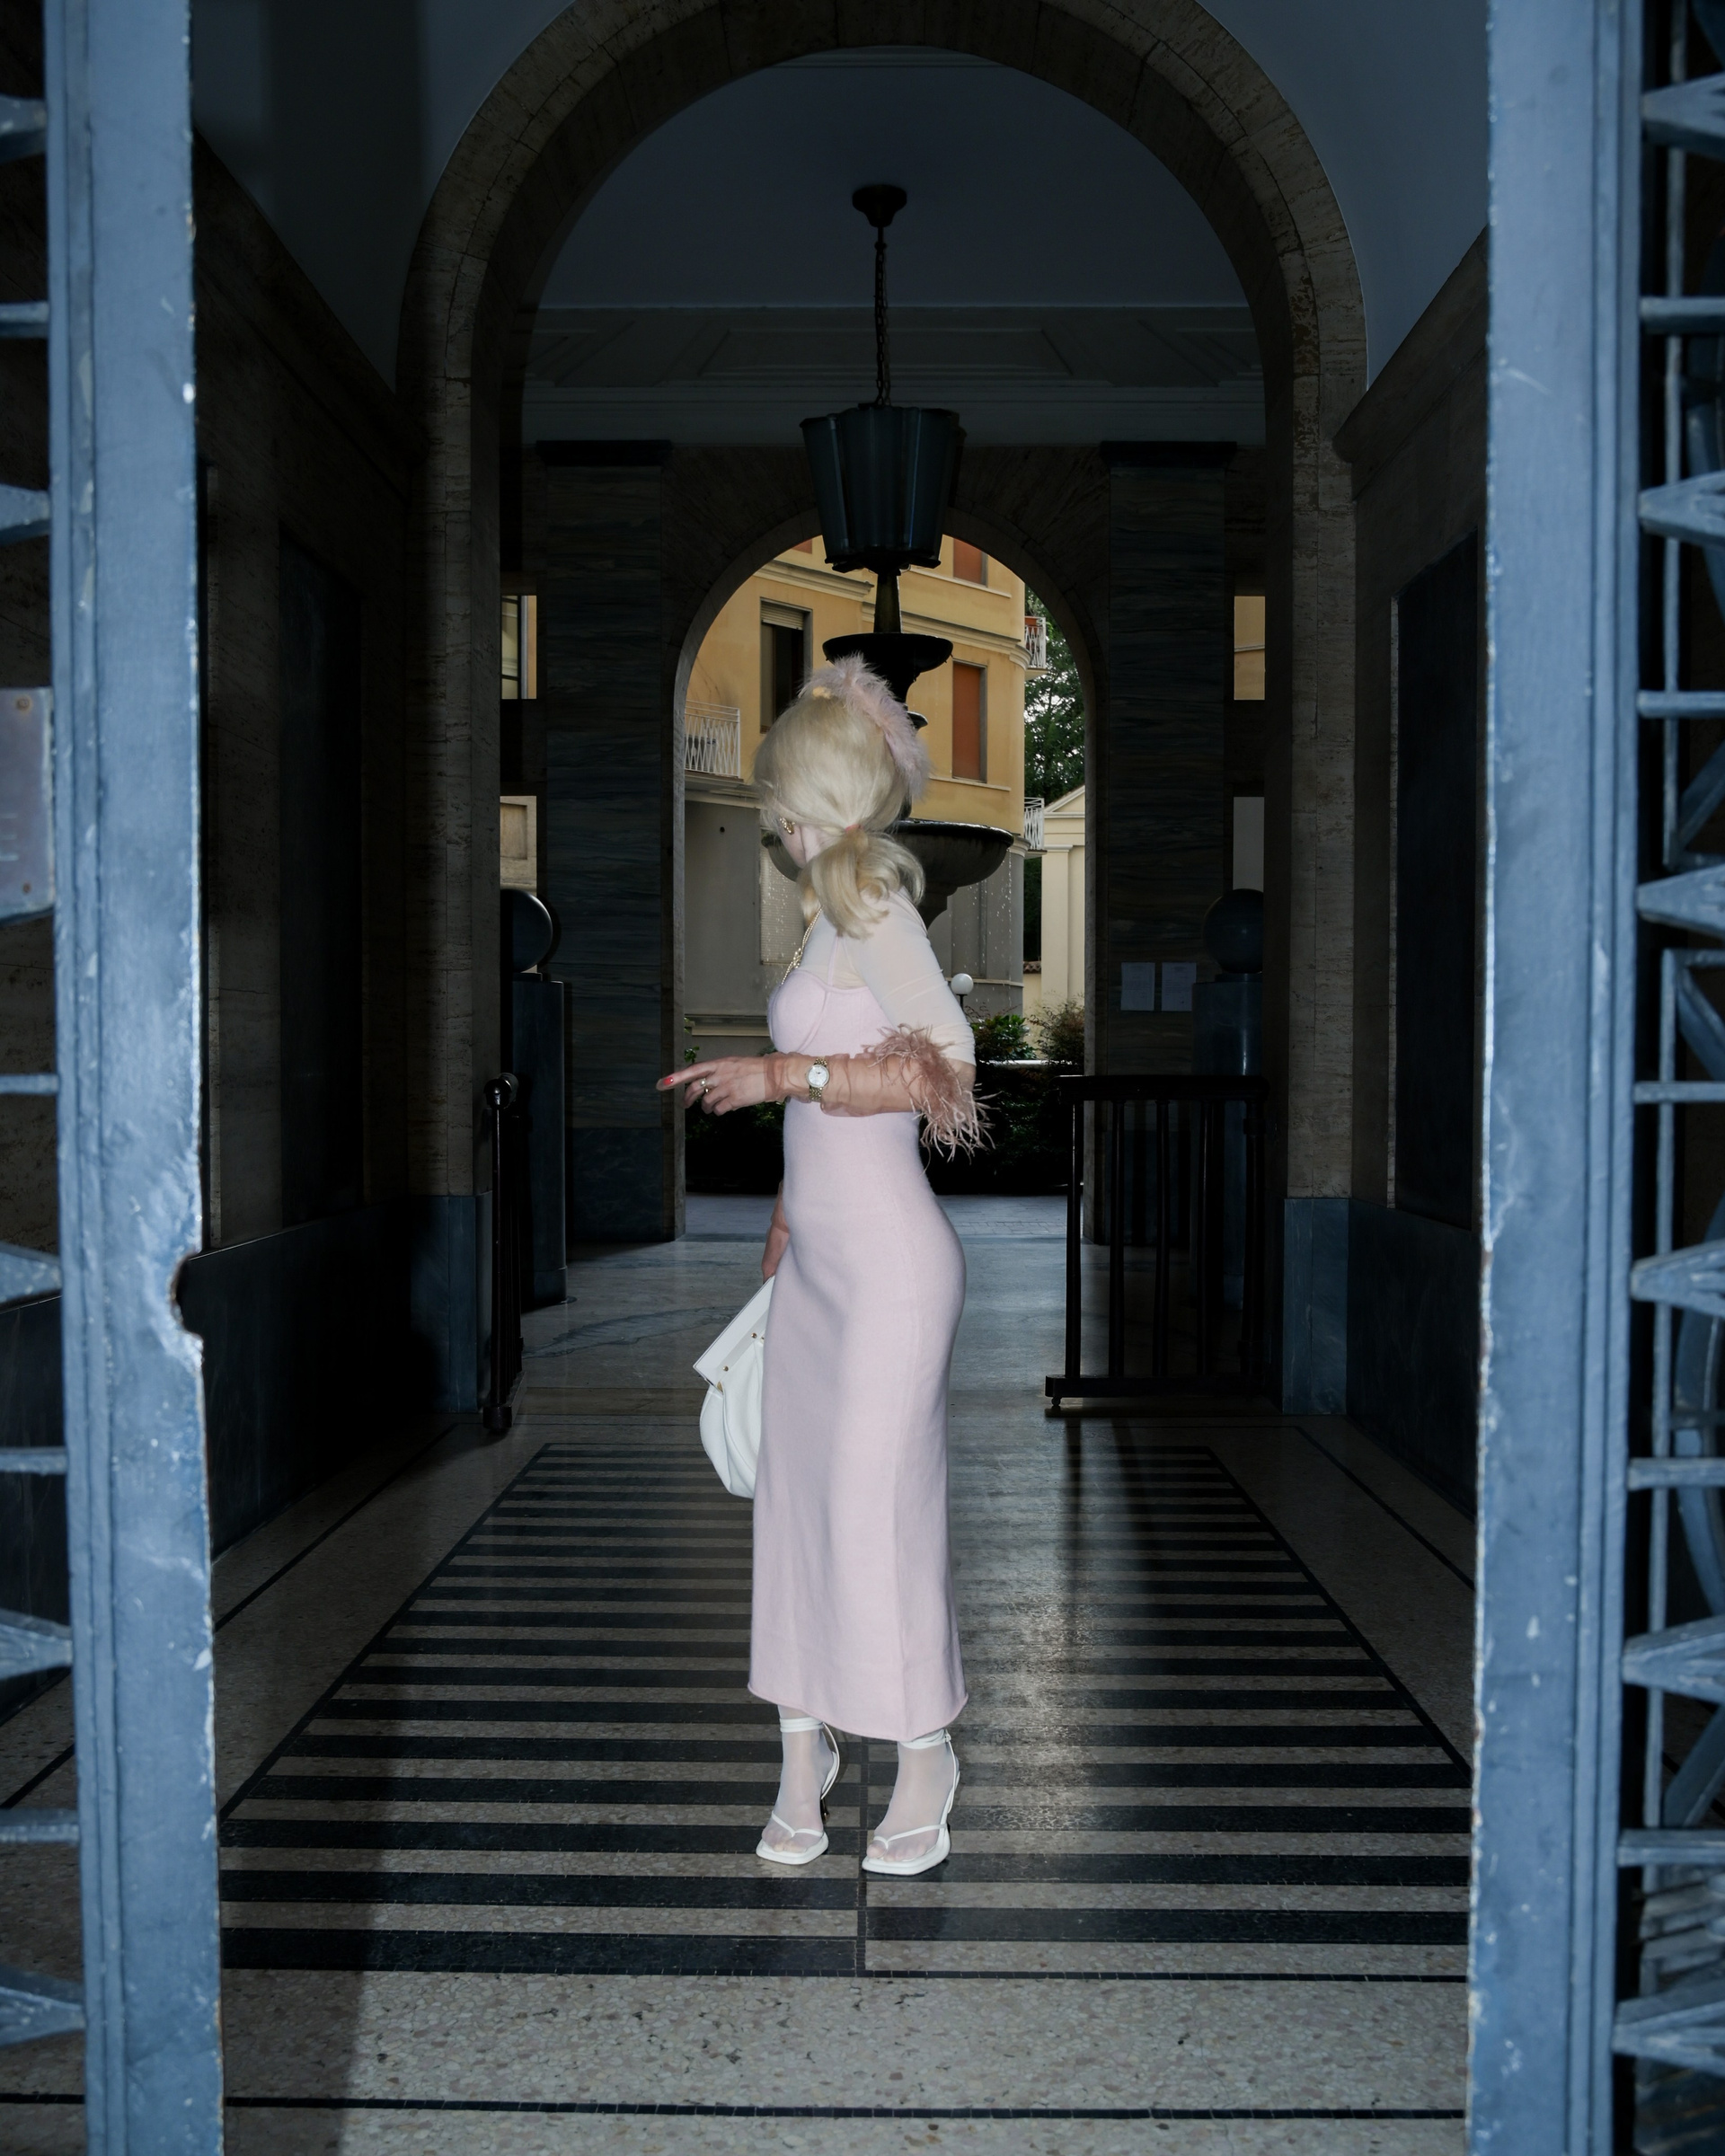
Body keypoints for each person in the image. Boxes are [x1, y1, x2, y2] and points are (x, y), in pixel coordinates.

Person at [659, 656, 980, 1877]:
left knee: (872, 1510)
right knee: (793, 1512)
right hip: (819, 1265)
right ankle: (803, 1757)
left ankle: (924, 1754)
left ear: (824, 797)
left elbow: (948, 1066)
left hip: (893, 1270)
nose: (775, 822)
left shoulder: (878, 910)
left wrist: (783, 1074)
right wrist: (787, 1217)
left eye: (784, 800)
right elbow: (825, 1111)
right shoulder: (822, 920)